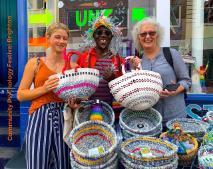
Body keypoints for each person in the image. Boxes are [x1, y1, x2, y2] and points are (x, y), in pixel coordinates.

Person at [17, 23, 79, 169]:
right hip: (39, 116)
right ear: (48, 38)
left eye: (65, 38)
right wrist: (44, 88)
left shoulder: (73, 66)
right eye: (57, 37)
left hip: (65, 116)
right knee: (37, 161)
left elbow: (77, 95)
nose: (61, 41)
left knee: (64, 162)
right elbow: (21, 94)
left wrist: (74, 103)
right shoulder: (35, 63)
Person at [131, 17, 191, 125]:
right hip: (149, 119)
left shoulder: (171, 54)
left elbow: (186, 81)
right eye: (143, 34)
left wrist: (175, 90)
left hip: (175, 118)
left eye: (152, 33)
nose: (148, 37)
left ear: (157, 35)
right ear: (138, 38)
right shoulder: (138, 60)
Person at [77, 15, 125, 106]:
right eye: (99, 32)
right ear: (94, 36)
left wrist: (112, 79)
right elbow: (77, 84)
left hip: (112, 111)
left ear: (111, 37)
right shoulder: (83, 58)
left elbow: (123, 87)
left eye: (107, 33)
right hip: (87, 109)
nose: (103, 35)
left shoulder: (118, 60)